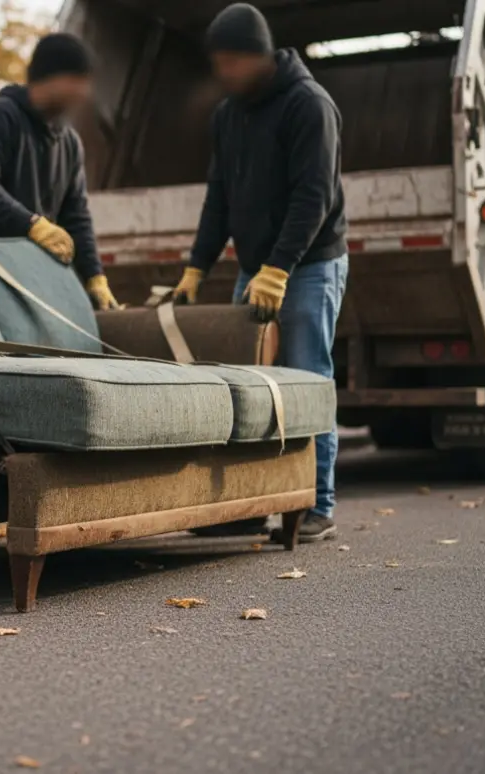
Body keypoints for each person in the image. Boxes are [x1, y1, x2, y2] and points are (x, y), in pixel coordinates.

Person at [175, 3, 348, 542]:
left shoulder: (309, 106)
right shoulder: (229, 114)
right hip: (256, 270)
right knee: (248, 386)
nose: (221, 72)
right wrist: (196, 268)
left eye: (230, 62)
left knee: (306, 378)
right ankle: (250, 505)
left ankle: (317, 503)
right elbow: (219, 199)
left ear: (257, 55)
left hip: (310, 266)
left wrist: (278, 268)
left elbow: (312, 198)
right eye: (217, 63)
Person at [0, 32, 118, 310]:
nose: (84, 92)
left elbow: (76, 215)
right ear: (53, 77)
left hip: (11, 274)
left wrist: (94, 276)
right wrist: (32, 224)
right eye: (78, 82)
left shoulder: (69, 143)